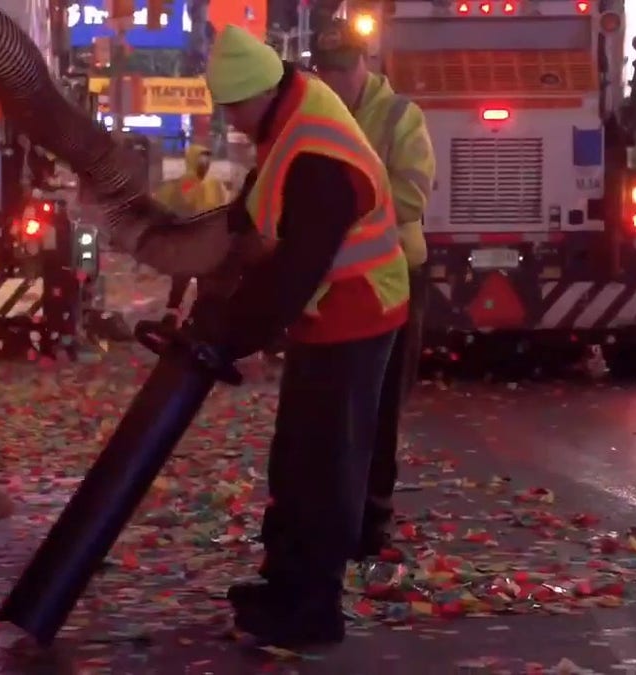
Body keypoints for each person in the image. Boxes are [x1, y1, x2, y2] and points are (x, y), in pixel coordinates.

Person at [192, 25, 411, 647]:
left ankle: (314, 610)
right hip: (329, 316)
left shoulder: (315, 151)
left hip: (359, 314)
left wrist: (232, 337)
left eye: (233, 107)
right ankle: (284, 583)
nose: (231, 121)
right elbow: (260, 215)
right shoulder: (292, 115)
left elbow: (294, 272)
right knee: (295, 458)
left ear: (257, 94)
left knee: (324, 467)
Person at [310, 19, 436, 559]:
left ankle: (373, 514)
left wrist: (348, 202)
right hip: (336, 275)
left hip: (395, 274)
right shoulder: (315, 114)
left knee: (382, 401)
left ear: (365, 62)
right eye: (328, 69)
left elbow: (412, 194)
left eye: (346, 66)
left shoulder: (399, 116)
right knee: (337, 403)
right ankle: (337, 509)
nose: (338, 78)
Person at [152, 143, 230, 326]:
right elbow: (181, 203)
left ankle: (199, 320)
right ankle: (172, 317)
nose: (205, 163)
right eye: (201, 159)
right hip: (189, 241)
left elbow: (223, 206)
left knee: (205, 284)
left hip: (208, 242)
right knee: (181, 281)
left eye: (207, 160)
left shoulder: (215, 184)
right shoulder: (186, 182)